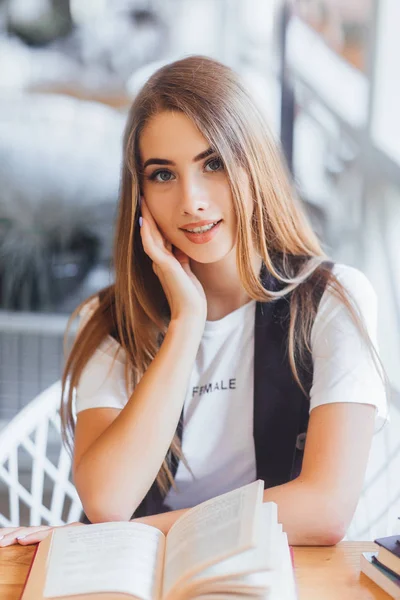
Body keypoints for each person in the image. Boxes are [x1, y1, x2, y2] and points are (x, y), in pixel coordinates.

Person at [0, 55, 388, 548]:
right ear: (138, 194)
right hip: (145, 580)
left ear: (254, 165)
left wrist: (139, 534)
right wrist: (187, 321)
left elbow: (325, 508)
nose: (192, 200)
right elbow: (107, 501)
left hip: (278, 571)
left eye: (214, 163)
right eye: (163, 174)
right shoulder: (114, 319)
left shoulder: (332, 300)